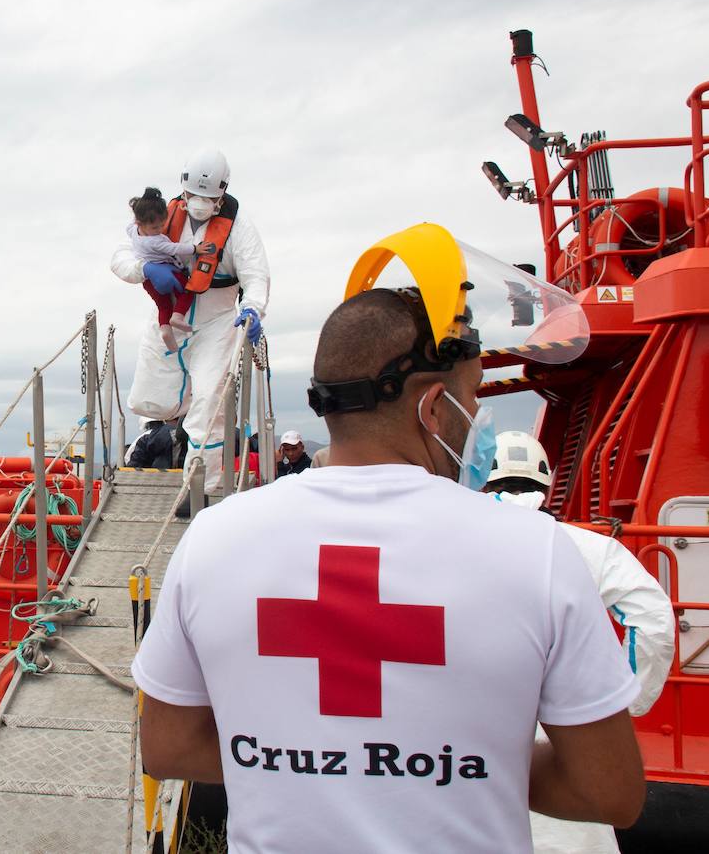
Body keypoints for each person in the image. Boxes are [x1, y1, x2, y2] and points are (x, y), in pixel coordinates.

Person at [133, 276, 644, 852]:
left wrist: (314, 764)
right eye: (473, 395)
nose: (478, 416)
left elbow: (169, 748)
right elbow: (609, 793)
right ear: (432, 405)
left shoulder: (212, 540)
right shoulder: (539, 550)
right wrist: (461, 766)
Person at [484, 430, 675, 854]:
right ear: (547, 481)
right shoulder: (591, 547)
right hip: (566, 747)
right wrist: (623, 703)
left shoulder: (452, 544)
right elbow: (655, 623)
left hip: (471, 750)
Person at [112, 148, 270, 494]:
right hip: (168, 317)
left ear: (221, 195)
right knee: (151, 401)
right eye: (193, 196)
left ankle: (199, 488)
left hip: (216, 324)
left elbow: (256, 275)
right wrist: (145, 268)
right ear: (183, 192)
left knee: (208, 406)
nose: (199, 203)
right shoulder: (160, 217)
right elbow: (120, 256)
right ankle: (160, 439)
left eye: (208, 197)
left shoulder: (240, 229)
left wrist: (253, 309)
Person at [127, 187, 217, 352]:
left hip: (148, 281)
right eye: (155, 228)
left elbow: (129, 227)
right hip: (167, 272)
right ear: (140, 223)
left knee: (163, 306)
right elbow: (176, 248)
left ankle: (166, 330)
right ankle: (178, 317)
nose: (160, 230)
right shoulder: (156, 241)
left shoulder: (133, 230)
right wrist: (196, 249)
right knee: (188, 291)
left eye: (163, 225)